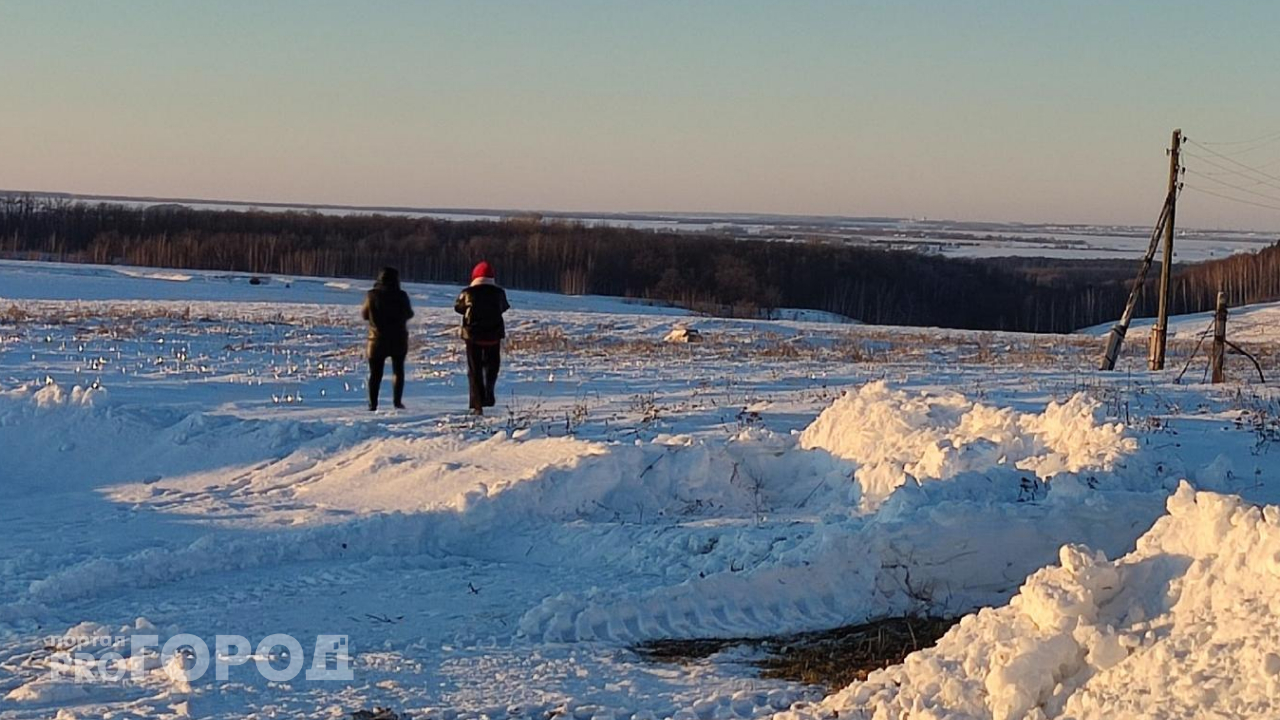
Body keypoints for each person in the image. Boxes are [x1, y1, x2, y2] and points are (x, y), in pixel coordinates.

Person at [454, 261, 510, 415]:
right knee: (492, 367)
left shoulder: (467, 293)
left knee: (474, 370)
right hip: (493, 335)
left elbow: (458, 308)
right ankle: (489, 392)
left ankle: (477, 404)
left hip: (473, 336)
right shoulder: (499, 293)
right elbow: (504, 307)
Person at [361, 267, 413, 411]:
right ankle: (397, 402)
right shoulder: (401, 295)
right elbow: (409, 314)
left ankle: (373, 404)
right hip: (398, 339)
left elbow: (365, 315)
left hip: (376, 340)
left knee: (375, 374)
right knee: (398, 371)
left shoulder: (371, 295)